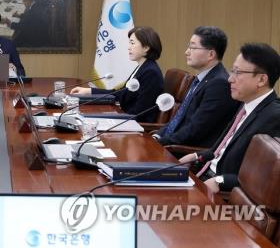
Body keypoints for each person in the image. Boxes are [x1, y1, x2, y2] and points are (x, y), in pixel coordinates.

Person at [180, 43, 280, 194]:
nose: (230, 79)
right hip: (203, 176)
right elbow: (220, 151)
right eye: (232, 71)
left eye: (237, 73)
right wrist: (195, 156)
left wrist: (220, 181)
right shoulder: (246, 105)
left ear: (261, 80)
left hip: (223, 194)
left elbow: (263, 177)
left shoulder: (274, 116)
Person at [154, 26, 240, 147]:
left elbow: (196, 130)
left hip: (183, 153)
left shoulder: (219, 84)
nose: (187, 52)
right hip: (171, 144)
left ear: (211, 54)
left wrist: (160, 143)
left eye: (193, 47)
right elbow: (179, 119)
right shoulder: (200, 79)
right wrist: (156, 136)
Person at [71, 26, 164, 122]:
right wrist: (89, 91)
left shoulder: (151, 73)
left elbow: (140, 112)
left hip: (136, 127)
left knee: (88, 120)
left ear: (146, 47)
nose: (128, 47)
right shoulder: (142, 67)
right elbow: (120, 94)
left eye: (132, 43)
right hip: (125, 118)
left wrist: (115, 119)